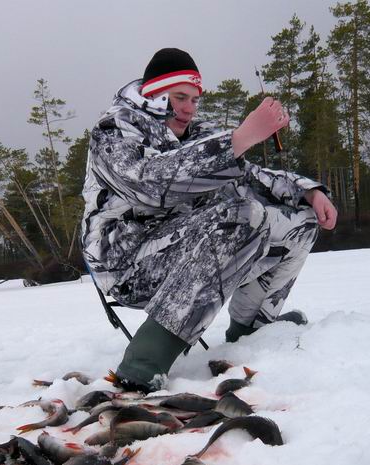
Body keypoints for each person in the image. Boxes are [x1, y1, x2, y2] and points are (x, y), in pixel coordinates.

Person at [82, 48, 337, 393]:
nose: (189, 108)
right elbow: (147, 183)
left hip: (188, 249)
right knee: (243, 215)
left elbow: (246, 177)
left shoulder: (196, 132)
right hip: (127, 263)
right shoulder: (113, 130)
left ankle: (251, 328)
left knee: (300, 221)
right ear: (155, 95)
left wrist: (307, 192)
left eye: (195, 100)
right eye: (180, 98)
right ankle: (144, 362)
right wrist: (238, 140)